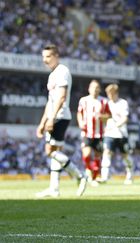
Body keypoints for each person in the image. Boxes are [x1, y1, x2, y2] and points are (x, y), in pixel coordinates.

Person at [36, 44, 87, 198]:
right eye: (43, 57)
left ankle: (80, 175)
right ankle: (54, 188)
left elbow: (62, 97)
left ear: (56, 56)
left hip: (60, 115)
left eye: (48, 56)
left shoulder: (62, 71)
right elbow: (50, 101)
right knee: (55, 152)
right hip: (54, 115)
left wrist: (51, 119)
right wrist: (42, 122)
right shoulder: (52, 74)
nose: (45, 60)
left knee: (50, 151)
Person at [77, 79, 110, 186]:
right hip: (87, 133)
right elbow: (79, 113)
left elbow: (109, 115)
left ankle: (95, 178)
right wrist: (81, 122)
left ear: (99, 89)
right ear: (89, 89)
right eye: (93, 87)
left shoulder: (104, 101)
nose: (95, 90)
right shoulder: (83, 100)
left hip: (99, 134)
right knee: (86, 155)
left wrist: (102, 117)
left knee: (97, 156)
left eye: (97, 88)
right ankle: (88, 170)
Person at [100, 83, 134, 185]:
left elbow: (125, 118)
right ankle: (104, 177)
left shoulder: (123, 103)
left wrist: (117, 125)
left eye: (111, 93)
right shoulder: (106, 103)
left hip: (121, 134)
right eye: (108, 94)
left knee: (125, 156)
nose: (109, 96)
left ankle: (130, 175)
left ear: (116, 93)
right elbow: (103, 117)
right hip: (109, 134)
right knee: (106, 152)